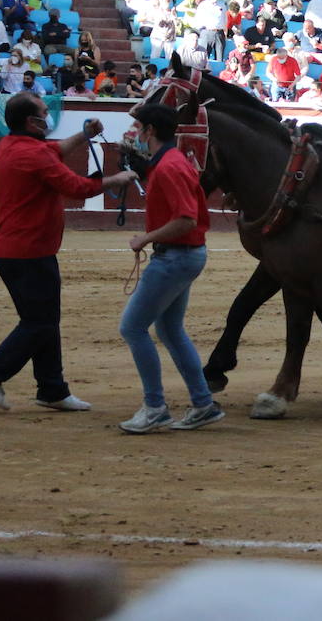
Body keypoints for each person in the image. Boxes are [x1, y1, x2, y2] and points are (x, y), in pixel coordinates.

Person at [0, 94, 138, 412]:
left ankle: (52, 388)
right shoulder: (32, 154)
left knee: (43, 320)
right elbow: (76, 187)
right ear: (33, 122)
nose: (48, 117)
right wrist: (116, 179)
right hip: (27, 250)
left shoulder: (16, 146)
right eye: (45, 113)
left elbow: (54, 150)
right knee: (40, 322)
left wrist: (84, 135)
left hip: (19, 248)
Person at [117, 103, 224, 434]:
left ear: (150, 131)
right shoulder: (170, 162)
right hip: (184, 255)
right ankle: (202, 403)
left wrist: (145, 238)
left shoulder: (169, 167)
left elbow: (186, 219)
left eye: (138, 128)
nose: (134, 134)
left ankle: (155, 407)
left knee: (133, 328)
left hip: (175, 256)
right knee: (169, 329)